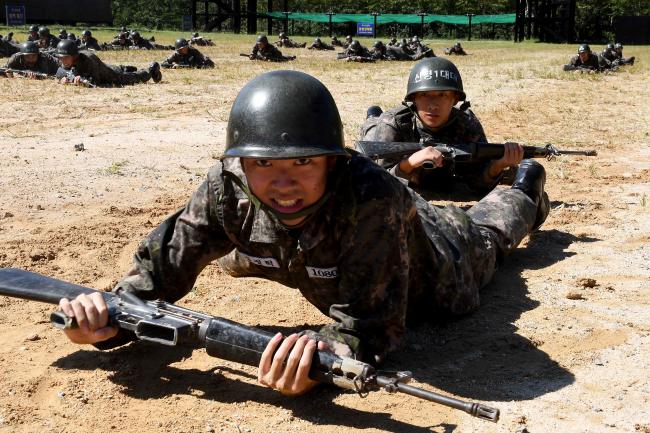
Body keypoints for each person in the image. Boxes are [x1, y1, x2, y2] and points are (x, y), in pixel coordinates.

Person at [57, 69, 549, 396]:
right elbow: (153, 278)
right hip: (317, 256)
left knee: (487, 234)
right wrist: (105, 321)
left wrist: (324, 356)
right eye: (263, 164)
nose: (284, 182)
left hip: (437, 269)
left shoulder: (373, 200)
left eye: (304, 162)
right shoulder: (226, 188)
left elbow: (371, 330)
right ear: (240, 163)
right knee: (241, 251)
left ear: (332, 164)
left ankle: (526, 188)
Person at [360, 57, 525, 195]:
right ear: (413, 99)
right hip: (380, 128)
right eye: (424, 95)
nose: (433, 105)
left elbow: (477, 182)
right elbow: (377, 184)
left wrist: (498, 165)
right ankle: (373, 115)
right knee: (373, 128)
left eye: (442, 95)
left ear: (455, 99)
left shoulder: (467, 124)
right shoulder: (393, 124)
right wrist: (408, 163)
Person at [54, 40, 162, 87]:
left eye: (64, 58)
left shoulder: (88, 59)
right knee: (118, 69)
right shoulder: (68, 60)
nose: (62, 61)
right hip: (105, 68)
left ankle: (151, 70)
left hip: (111, 76)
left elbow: (95, 82)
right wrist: (62, 79)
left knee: (133, 78)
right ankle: (125, 67)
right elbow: (61, 72)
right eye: (60, 58)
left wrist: (76, 81)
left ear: (74, 55)